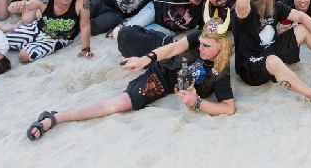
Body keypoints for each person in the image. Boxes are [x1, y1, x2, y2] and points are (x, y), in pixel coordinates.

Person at [26, 17, 236, 140]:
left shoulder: (221, 71)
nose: (200, 47)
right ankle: (56, 117)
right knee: (118, 101)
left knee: (118, 105)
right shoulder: (197, 39)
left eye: (207, 46)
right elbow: (173, 48)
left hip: (172, 86)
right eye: (200, 42)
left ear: (221, 47)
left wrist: (197, 103)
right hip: (163, 71)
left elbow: (228, 108)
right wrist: (146, 59)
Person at [3, 0, 94, 63]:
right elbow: (26, 5)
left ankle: (25, 41)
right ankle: (18, 33)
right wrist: (14, 6)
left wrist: (85, 49)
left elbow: (85, 26)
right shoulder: (45, 0)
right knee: (3, 42)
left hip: (60, 38)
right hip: (38, 28)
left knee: (24, 56)